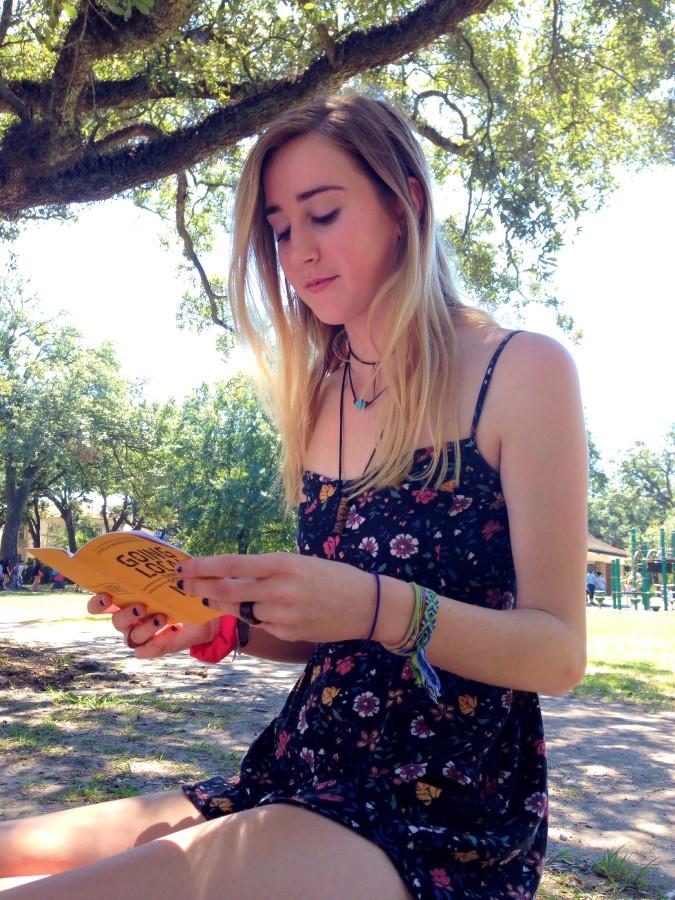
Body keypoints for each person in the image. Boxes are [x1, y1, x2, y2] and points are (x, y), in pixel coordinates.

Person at [0, 92, 588, 899]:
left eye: (321, 214)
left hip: (442, 811)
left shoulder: (521, 371)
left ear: (403, 201)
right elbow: (335, 637)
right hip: (296, 769)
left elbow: (557, 654)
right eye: (280, 230)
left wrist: (379, 604)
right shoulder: (318, 394)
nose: (297, 251)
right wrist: (218, 627)